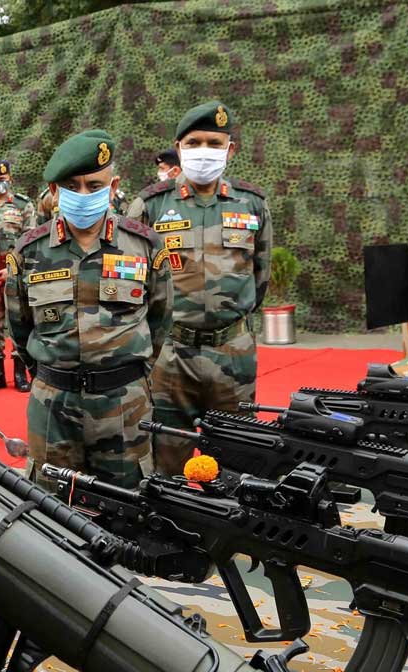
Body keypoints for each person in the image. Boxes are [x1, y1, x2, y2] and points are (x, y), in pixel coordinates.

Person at [7, 130, 171, 487]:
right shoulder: (28, 252)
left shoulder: (144, 245)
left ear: (113, 188)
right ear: (54, 192)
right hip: (53, 404)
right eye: (72, 186)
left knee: (128, 506)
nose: (84, 195)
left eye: (95, 186)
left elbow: (160, 321)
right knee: (51, 509)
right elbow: (20, 328)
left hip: (124, 403)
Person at [127, 101, 271, 475]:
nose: (203, 151)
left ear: (230, 149)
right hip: (170, 357)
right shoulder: (150, 205)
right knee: (165, 462)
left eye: (214, 142)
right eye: (194, 142)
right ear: (178, 147)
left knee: (238, 462)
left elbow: (260, 277)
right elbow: (132, 284)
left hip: (233, 355)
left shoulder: (252, 204)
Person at [0, 159, 36, 393]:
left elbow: (29, 240)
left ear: (10, 180)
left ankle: (19, 371)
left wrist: (11, 269)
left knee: (18, 320)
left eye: (2, 180)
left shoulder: (24, 205)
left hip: (14, 273)